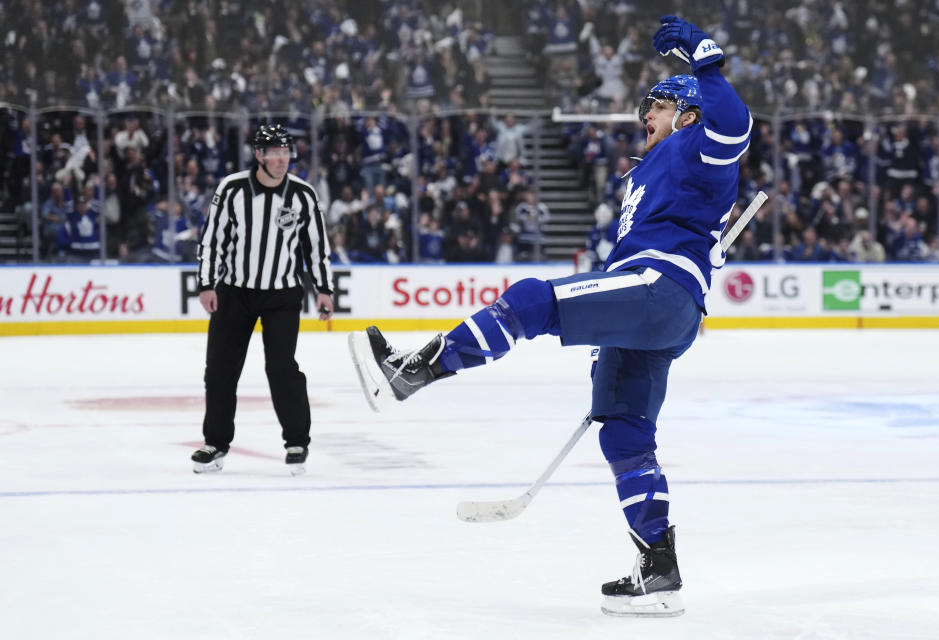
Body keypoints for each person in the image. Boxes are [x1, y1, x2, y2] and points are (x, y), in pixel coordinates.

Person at [349, 16, 751, 617]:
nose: (646, 114)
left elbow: (736, 125)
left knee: (533, 298)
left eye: (658, 105)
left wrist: (705, 63)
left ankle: (417, 369)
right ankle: (658, 570)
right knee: (624, 430)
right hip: (652, 304)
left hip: (658, 287)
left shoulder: (697, 143)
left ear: (687, 112)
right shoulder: (649, 168)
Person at [192, 124, 334, 475]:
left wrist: (324, 290)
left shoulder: (302, 194)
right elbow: (212, 240)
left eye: (287, 153)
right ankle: (216, 443)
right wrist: (207, 283)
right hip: (234, 293)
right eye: (275, 153)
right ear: (259, 156)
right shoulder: (232, 189)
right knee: (221, 370)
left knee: (282, 368)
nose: (282, 160)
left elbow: (316, 247)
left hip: (282, 296)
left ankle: (297, 441)